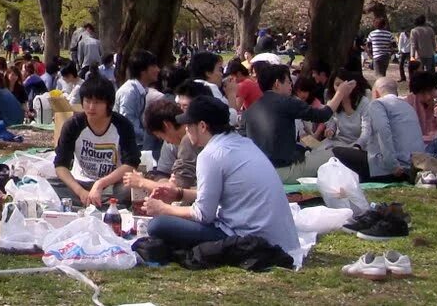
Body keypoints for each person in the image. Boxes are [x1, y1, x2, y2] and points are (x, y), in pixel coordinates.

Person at [140, 95, 301, 259]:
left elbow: (203, 214)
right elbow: (218, 195)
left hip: (249, 239)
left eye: (189, 125)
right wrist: (179, 193)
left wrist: (163, 209)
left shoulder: (210, 154)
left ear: (202, 126)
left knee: (157, 225)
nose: (186, 130)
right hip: (280, 239)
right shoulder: (243, 143)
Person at [242, 62, 356, 182]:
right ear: (277, 84)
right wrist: (340, 93)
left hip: (260, 172)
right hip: (284, 171)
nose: (291, 85)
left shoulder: (251, 109)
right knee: (337, 155)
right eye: (287, 81)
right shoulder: (286, 102)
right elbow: (322, 115)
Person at [52, 75, 140, 206]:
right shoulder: (73, 125)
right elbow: (60, 165)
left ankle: (102, 203)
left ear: (108, 104)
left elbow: (131, 164)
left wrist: (100, 184)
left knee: (129, 189)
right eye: (87, 101)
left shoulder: (122, 125)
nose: (91, 107)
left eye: (98, 102)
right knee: (49, 186)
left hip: (111, 184)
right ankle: (92, 202)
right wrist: (80, 191)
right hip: (80, 182)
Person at [113, 50, 160, 152]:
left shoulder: (141, 90)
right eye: (154, 66)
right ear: (143, 71)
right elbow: (127, 125)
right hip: (124, 146)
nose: (158, 70)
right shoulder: (129, 93)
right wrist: (151, 136)